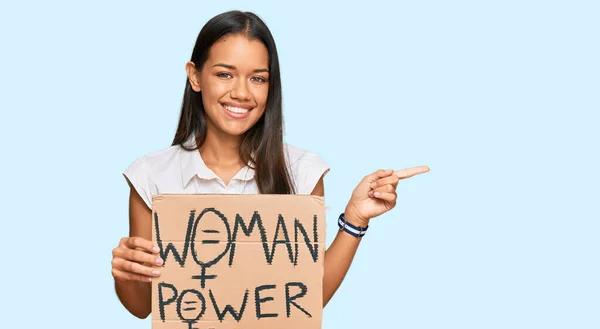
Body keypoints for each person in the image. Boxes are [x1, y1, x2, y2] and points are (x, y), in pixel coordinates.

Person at [111, 10, 429, 319]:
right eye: (224, 74)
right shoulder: (151, 175)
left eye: (257, 78)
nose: (241, 93)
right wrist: (126, 273)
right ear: (195, 76)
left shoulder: (302, 171)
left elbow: (306, 299)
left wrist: (356, 219)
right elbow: (142, 308)